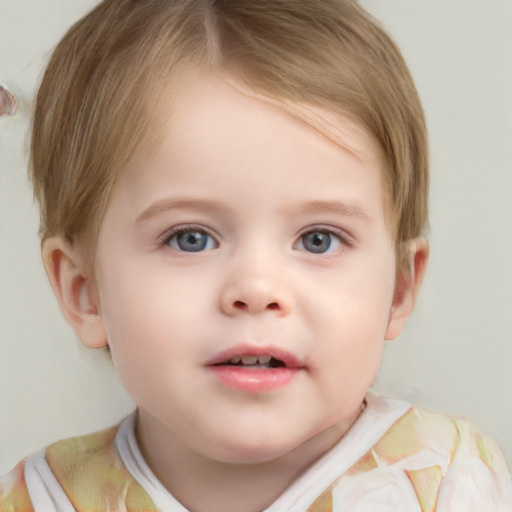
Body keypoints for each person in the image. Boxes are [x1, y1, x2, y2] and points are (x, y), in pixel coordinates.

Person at [1, 0, 511, 510]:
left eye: (319, 239)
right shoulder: (37, 498)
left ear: (398, 289)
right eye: (190, 238)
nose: (257, 289)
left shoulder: (448, 478)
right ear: (85, 292)